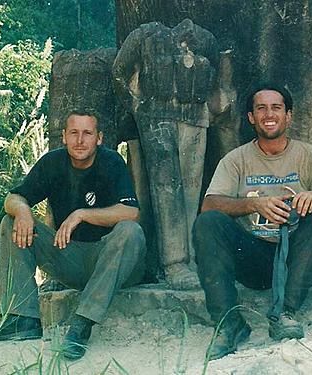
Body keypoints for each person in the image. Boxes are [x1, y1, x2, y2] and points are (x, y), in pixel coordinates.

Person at [192, 83, 312, 360]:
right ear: (251, 118)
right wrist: (252, 203)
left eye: (276, 107)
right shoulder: (235, 160)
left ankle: (284, 313)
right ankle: (229, 324)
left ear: (289, 116)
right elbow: (209, 206)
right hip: (252, 256)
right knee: (208, 223)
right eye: (260, 108)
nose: (268, 114)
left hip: (296, 260)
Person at [0, 111, 146, 360]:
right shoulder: (52, 162)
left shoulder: (111, 162)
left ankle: (81, 325)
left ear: (99, 138)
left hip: (111, 259)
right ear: (64, 136)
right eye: (74, 133)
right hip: (71, 258)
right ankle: (21, 319)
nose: (80, 140)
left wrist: (82, 214)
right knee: (11, 220)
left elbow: (131, 212)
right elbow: (14, 197)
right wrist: (23, 209)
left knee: (130, 231)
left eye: (87, 133)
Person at [112, 19, 220, 290]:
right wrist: (139, 109)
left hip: (195, 117)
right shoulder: (143, 35)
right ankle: (175, 263)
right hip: (156, 118)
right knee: (166, 189)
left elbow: (215, 74)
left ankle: (191, 258)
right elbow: (119, 72)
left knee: (192, 189)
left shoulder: (205, 38)